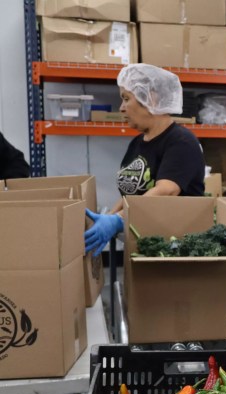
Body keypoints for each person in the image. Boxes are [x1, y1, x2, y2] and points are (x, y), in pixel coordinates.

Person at [84, 64, 206, 256]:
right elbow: (131, 195)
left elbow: (166, 191)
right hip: (144, 245)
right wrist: (108, 218)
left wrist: (119, 220)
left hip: (174, 249)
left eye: (126, 99)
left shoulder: (181, 142)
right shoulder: (138, 142)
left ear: (150, 99)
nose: (121, 108)